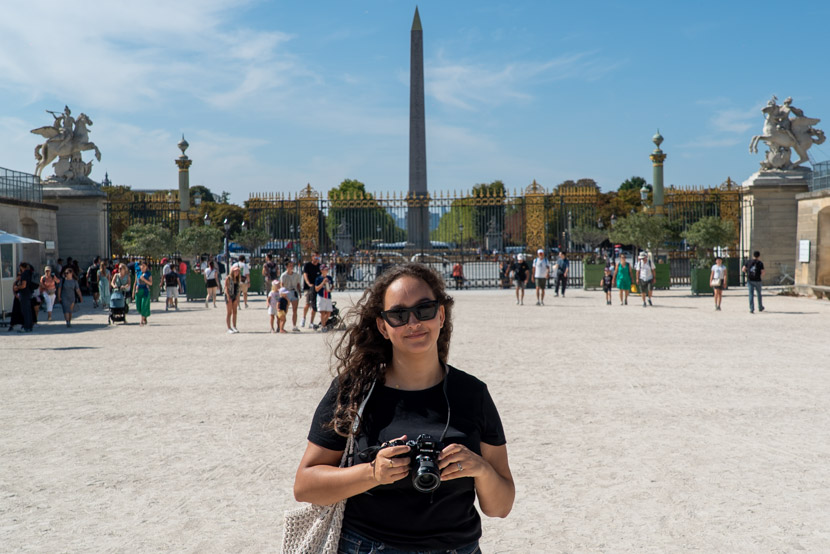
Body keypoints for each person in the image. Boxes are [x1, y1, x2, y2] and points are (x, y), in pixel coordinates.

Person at [293, 263, 514, 553]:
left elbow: (500, 507)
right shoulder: (355, 390)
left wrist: (481, 470)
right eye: (398, 315)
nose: (413, 323)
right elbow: (305, 486)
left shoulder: (472, 394)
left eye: (425, 309)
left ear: (441, 315)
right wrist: (373, 472)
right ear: (383, 326)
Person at [279, 261, 303, 332]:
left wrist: (299, 292)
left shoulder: (296, 275)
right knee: (284, 310)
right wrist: (282, 293)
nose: (291, 267)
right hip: (286, 292)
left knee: (295, 310)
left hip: (294, 291)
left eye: (292, 265)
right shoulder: (283, 275)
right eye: (290, 265)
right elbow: (281, 284)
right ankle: (281, 326)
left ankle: (294, 325)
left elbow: (298, 284)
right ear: (286, 267)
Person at [301, 252, 321, 328]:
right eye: (316, 257)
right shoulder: (307, 265)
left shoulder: (320, 266)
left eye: (318, 257)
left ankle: (311, 322)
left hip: (316, 288)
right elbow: (305, 275)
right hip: (308, 288)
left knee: (314, 306)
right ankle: (303, 318)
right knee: (307, 303)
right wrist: (308, 283)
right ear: (312, 257)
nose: (317, 258)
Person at [314, 264, 334, 332]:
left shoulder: (329, 278)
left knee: (328, 312)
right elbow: (316, 289)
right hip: (321, 296)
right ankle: (323, 326)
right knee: (322, 312)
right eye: (325, 269)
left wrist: (330, 289)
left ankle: (322, 324)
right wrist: (323, 283)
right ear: (321, 270)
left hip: (328, 296)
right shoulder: (318, 278)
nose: (326, 270)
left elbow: (332, 286)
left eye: (327, 269)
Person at [134, 260, 152, 326]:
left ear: (146, 267)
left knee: (143, 305)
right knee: (139, 307)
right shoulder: (138, 273)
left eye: (144, 266)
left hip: (145, 291)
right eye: (141, 266)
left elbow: (151, 283)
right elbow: (135, 283)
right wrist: (133, 291)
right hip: (138, 291)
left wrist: (144, 279)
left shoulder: (148, 274)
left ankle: (141, 321)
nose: (142, 267)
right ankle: (144, 317)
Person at [224, 263, 241, 333]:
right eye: (235, 271)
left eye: (237, 271)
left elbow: (238, 289)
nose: (236, 272)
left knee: (235, 312)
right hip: (229, 296)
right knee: (229, 312)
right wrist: (228, 297)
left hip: (235, 296)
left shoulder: (237, 279)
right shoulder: (228, 278)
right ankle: (229, 328)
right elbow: (226, 288)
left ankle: (234, 326)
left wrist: (237, 298)